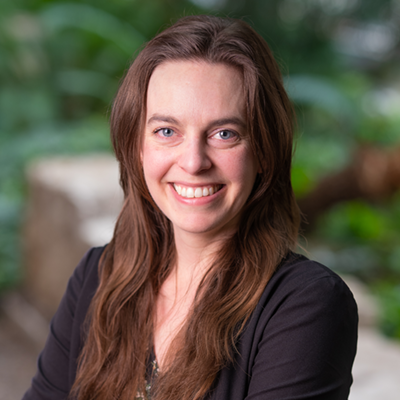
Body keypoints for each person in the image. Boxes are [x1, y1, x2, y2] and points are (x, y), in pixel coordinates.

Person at [23, 15, 358, 400]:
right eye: (167, 131)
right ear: (138, 148)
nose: (194, 161)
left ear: (265, 150)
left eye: (224, 134)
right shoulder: (95, 279)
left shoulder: (306, 306)